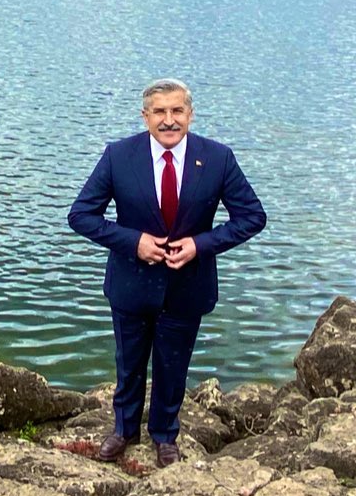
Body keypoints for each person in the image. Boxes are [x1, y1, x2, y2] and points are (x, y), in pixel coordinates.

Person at [67, 79, 266, 467]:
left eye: (177, 111)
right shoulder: (118, 156)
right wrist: (133, 241)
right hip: (130, 283)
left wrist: (200, 245)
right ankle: (124, 430)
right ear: (146, 117)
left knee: (173, 366)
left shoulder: (218, 158)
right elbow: (81, 216)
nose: (169, 120)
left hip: (187, 286)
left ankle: (164, 435)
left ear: (190, 114)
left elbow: (252, 217)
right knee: (129, 364)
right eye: (160, 112)